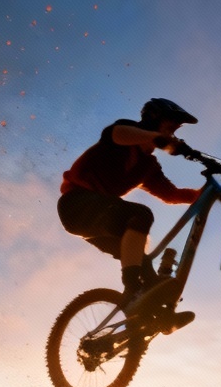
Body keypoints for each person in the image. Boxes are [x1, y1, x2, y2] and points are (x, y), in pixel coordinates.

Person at [58, 98, 201, 321]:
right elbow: (118, 134)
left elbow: (171, 195)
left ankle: (152, 316)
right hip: (76, 205)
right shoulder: (124, 132)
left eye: (176, 128)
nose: (174, 131)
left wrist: (200, 195)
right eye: (171, 124)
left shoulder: (148, 166)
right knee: (141, 215)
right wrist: (157, 138)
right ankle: (132, 288)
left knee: (143, 265)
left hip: (100, 219)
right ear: (153, 118)